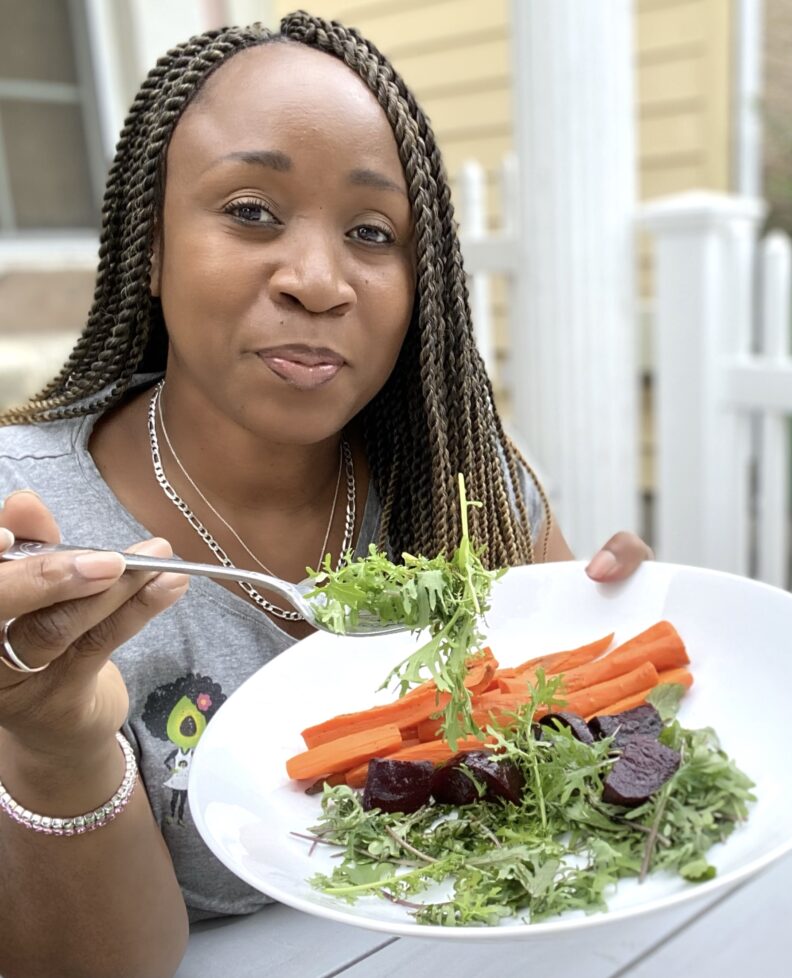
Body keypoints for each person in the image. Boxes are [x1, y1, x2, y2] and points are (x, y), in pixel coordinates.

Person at [0, 12, 652, 978]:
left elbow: (578, 814)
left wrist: (611, 647)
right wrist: (56, 750)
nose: (318, 280)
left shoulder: (465, 489)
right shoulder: (28, 536)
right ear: (149, 244)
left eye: (371, 232)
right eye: (250, 211)